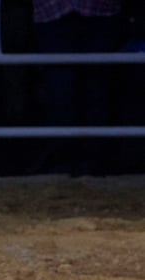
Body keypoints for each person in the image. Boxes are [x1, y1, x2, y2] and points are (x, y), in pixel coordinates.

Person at [32, 0, 123, 175]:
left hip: (86, 10)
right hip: (61, 10)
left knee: (92, 88)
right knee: (64, 89)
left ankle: (90, 160)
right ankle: (73, 160)